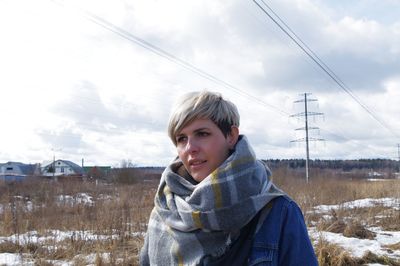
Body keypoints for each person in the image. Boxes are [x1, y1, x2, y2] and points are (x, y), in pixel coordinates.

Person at [140, 91, 318, 266]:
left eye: (202, 134)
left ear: (231, 136)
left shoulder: (279, 213)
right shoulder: (165, 209)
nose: (190, 148)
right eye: (181, 138)